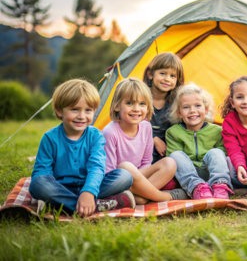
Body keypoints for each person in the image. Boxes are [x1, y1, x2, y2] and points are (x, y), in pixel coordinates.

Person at [29, 79, 135, 217]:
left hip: (91, 185)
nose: (82, 116)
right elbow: (42, 172)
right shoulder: (50, 138)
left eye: (88, 110)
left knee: (124, 176)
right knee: (38, 183)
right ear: (59, 111)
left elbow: (97, 167)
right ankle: (93, 206)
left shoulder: (96, 135)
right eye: (75, 109)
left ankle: (60, 204)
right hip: (60, 188)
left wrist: (88, 192)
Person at [103, 78, 185, 204]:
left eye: (142, 104)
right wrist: (133, 178)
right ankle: (163, 197)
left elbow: (147, 162)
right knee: (126, 167)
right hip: (120, 180)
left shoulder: (146, 127)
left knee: (170, 163)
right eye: (130, 103)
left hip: (139, 177)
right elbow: (109, 172)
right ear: (117, 106)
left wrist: (140, 182)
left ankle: (141, 197)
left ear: (148, 108)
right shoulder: (110, 132)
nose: (136, 109)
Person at [166, 84, 233, 199]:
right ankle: (197, 188)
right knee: (175, 155)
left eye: (197, 106)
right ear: (179, 112)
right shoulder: (173, 132)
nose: (192, 111)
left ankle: (220, 186)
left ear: (206, 109)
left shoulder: (217, 131)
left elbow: (224, 154)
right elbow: (174, 160)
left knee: (216, 152)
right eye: (186, 107)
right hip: (188, 175)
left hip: (210, 171)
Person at [143, 52, 184, 163]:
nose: (167, 79)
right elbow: (132, 126)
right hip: (141, 150)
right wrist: (154, 139)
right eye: (162, 73)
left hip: (166, 154)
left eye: (172, 76)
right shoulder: (140, 99)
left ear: (177, 80)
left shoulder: (176, 103)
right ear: (150, 74)